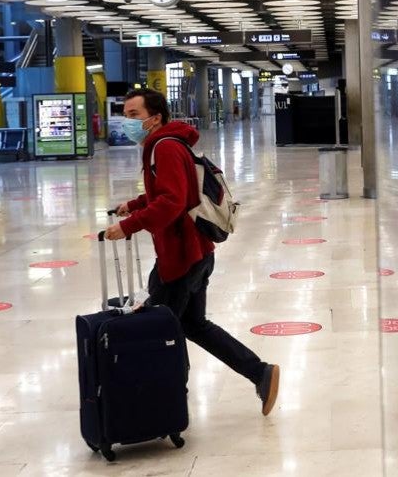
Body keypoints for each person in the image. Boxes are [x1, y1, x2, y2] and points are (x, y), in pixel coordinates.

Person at [105, 89, 281, 416]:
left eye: (133, 115)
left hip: (180, 258)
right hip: (196, 252)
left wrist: (129, 227)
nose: (126, 121)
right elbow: (176, 193)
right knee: (193, 325)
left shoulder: (165, 147)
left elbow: (172, 202)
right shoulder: (168, 144)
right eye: (124, 113)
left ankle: (168, 403)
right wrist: (135, 205)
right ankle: (260, 373)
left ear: (154, 118)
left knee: (161, 331)